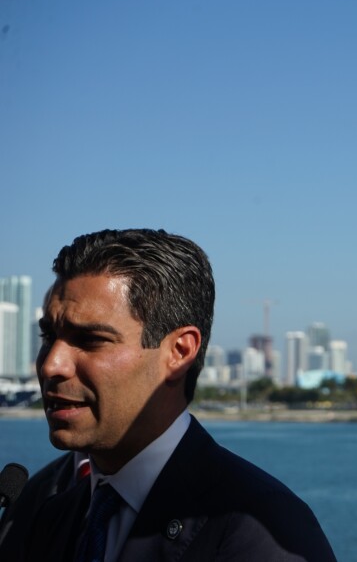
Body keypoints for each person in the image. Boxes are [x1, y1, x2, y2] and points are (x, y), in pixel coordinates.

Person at [20, 229, 337, 561]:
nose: (52, 365)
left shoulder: (264, 530)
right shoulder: (51, 516)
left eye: (90, 340)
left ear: (179, 351)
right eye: (49, 336)